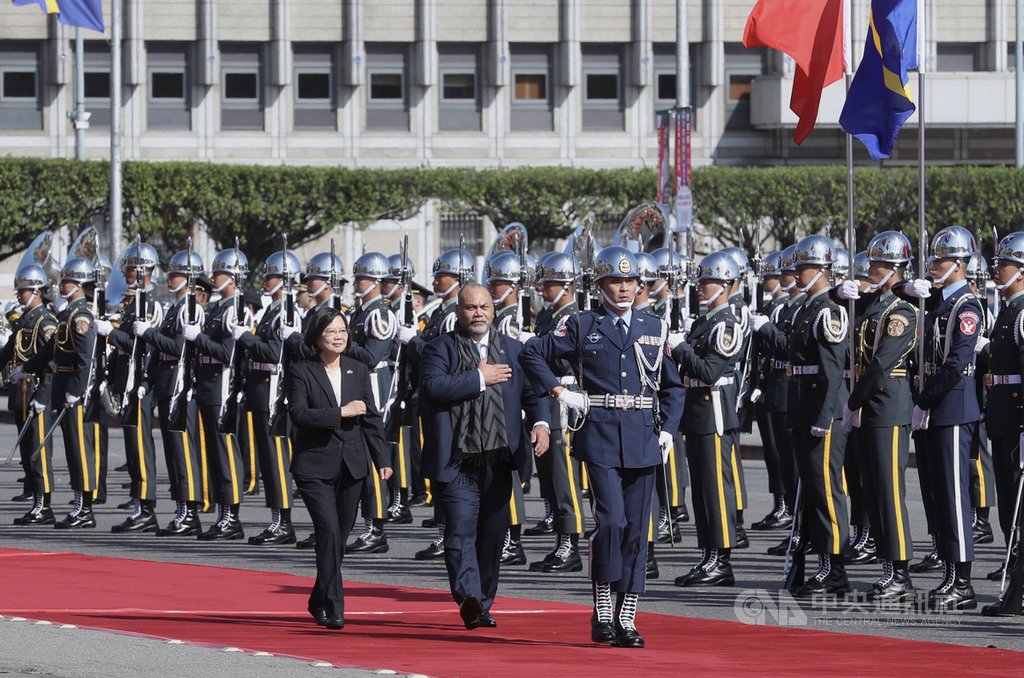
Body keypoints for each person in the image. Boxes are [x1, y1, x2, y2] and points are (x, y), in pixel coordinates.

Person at [521, 247, 684, 648]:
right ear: (599, 286)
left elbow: (673, 386)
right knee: (610, 523)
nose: (625, 287)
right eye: (616, 280)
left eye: (631, 281)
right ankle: (603, 606)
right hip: (600, 436)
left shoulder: (654, 326)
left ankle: (627, 614)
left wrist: (668, 431)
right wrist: (561, 391)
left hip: (644, 436)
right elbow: (531, 353)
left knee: (636, 528)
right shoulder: (581, 325)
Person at [420, 282, 549, 630]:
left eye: (484, 307)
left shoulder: (513, 349)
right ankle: (468, 597)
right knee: (460, 530)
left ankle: (483, 602)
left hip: (499, 457)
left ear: (493, 310)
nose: (478, 313)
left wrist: (541, 424)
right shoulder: (439, 348)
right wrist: (479, 378)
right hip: (457, 458)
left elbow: (534, 392)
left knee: (492, 534)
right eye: (470, 307)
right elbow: (433, 386)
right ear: (458, 311)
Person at [287, 307, 392, 630]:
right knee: (329, 532)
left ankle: (317, 598)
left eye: (343, 331)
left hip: (352, 464)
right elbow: (299, 415)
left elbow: (371, 417)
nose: (338, 337)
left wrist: (382, 459)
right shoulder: (301, 370)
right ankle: (334, 607)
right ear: (317, 336)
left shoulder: (357, 369)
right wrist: (340, 412)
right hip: (314, 465)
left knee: (340, 538)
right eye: (331, 331)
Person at [897, 226, 982, 610]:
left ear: (960, 265)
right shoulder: (939, 303)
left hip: (950, 410)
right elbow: (907, 299)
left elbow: (954, 366)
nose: (933, 266)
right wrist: (907, 290)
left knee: (953, 495)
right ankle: (949, 572)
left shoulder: (966, 306)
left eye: (941, 260)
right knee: (935, 496)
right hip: (933, 410)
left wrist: (924, 400)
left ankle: (962, 582)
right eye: (933, 259)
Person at [842, 230, 918, 602]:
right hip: (871, 406)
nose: (870, 269)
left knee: (888, 493)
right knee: (872, 491)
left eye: (876, 264)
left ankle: (900, 571)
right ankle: (888, 568)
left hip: (887, 406)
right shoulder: (875, 304)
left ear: (893, 268)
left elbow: (881, 364)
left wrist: (853, 400)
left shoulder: (900, 310)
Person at [669, 250, 743, 588]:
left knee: (715, 490)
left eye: (708, 281)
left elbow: (710, 372)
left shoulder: (726, 324)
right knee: (700, 490)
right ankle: (708, 555)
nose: (700, 286)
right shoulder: (703, 322)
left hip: (713, 413)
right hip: (695, 412)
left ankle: (721, 559)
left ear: (726, 285)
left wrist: (681, 348)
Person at [136, 249, 206, 535]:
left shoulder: (191, 309)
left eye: (175, 274)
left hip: (181, 387)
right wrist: (147, 380)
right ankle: (180, 510)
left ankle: (190, 512)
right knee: (172, 452)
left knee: (183, 452)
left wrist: (150, 334)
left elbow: (180, 348)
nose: (170, 277)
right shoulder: (173, 308)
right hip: (166, 386)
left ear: (188, 278)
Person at [96, 242, 163, 533]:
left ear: (144, 270)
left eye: (130, 268)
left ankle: (146, 507)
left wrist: (112, 334)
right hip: (126, 383)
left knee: (140, 447)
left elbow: (143, 346)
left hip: (141, 385)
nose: (125, 273)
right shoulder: (133, 303)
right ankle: (139, 506)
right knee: (131, 448)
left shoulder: (151, 304)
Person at [2, 263, 58, 525]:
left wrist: (44, 397)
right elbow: (8, 354)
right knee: (26, 451)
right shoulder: (25, 320)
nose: (18, 295)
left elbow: (52, 364)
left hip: (36, 392)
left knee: (38, 450)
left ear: (36, 291)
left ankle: (44, 505)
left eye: (22, 291)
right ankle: (35, 500)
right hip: (21, 393)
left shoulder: (45, 322)